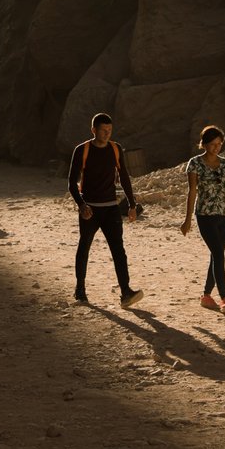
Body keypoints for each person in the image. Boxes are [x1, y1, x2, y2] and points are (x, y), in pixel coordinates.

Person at [68, 113, 143, 308]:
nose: (107, 134)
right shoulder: (82, 150)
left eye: (110, 130)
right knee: (84, 247)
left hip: (111, 208)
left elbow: (124, 176)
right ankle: (80, 290)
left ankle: (126, 292)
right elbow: (71, 183)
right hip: (90, 210)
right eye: (103, 130)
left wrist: (132, 205)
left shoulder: (116, 149)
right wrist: (81, 205)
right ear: (94, 130)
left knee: (119, 250)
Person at [180, 124, 225, 313]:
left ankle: (206, 295)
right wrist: (187, 220)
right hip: (205, 215)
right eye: (212, 144)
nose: (216, 148)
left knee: (216, 255)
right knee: (219, 254)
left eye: (219, 144)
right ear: (203, 144)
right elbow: (192, 191)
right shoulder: (194, 163)